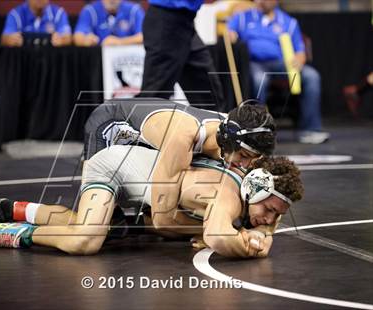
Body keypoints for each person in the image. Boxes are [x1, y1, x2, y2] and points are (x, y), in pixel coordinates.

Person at [0, 145, 303, 258]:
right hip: (114, 167)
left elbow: (259, 224)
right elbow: (217, 238)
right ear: (255, 189)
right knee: (86, 239)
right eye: (269, 211)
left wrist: (265, 233)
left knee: (101, 227)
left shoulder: (249, 193)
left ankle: (10, 208)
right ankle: (6, 232)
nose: (268, 218)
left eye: (277, 215)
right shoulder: (228, 194)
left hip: (144, 190)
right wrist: (250, 244)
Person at [84, 98, 276, 230]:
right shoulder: (182, 137)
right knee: (107, 225)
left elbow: (274, 191)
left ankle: (139, 219)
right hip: (109, 126)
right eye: (243, 156)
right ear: (228, 142)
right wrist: (220, 231)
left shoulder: (242, 132)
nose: (246, 164)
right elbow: (163, 221)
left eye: (253, 157)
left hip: (155, 132)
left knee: (168, 197)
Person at [227, 0, 329, 144]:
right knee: (258, 79)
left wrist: (299, 59)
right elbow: (228, 31)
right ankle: (257, 129)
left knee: (311, 76)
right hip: (254, 63)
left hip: (282, 64)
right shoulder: (243, 17)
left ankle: (310, 130)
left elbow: (300, 51)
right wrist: (231, 34)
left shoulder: (288, 22)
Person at [138, 0, 226, 111]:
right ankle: (126, 124)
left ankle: (215, 126)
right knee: (154, 97)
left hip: (186, 20)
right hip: (167, 20)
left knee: (210, 96)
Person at [0, 0, 72, 47]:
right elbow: (4, 38)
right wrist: (10, 40)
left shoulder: (58, 13)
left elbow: (68, 37)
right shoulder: (15, 14)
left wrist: (62, 40)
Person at [73, 0, 144, 47]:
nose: (111, 0)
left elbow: (144, 37)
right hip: (99, 59)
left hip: (129, 58)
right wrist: (87, 40)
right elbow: (78, 37)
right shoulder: (90, 11)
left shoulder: (134, 10)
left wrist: (119, 42)